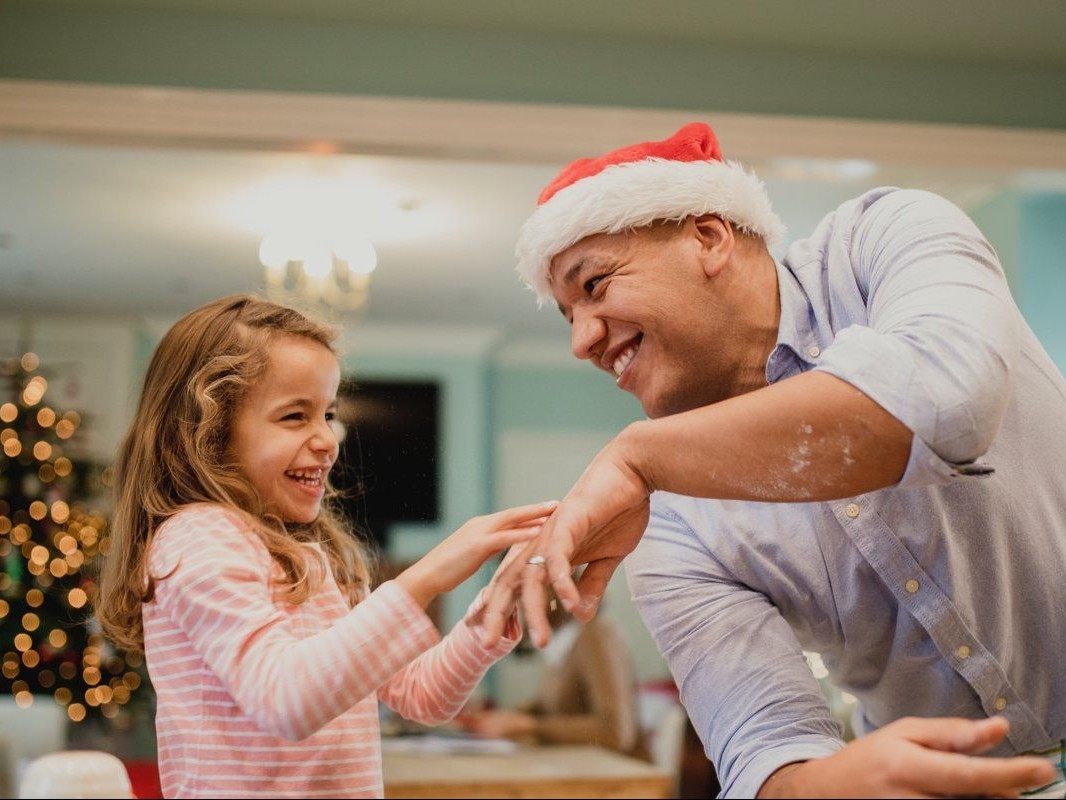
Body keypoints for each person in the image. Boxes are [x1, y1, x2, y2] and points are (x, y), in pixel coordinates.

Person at [480, 123, 1066, 797]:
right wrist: (828, 783)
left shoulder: (884, 237)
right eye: (566, 315)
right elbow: (763, 753)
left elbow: (944, 403)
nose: (582, 341)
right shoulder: (670, 521)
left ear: (709, 237)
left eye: (597, 284)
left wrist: (636, 456)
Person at [96, 295, 556, 798]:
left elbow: (421, 697)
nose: (328, 439)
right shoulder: (198, 536)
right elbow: (285, 701)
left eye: (328, 413)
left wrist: (488, 619)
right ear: (208, 432)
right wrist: (428, 575)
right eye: (295, 416)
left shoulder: (309, 556)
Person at [458, 602, 647, 758]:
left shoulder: (595, 636)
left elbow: (615, 732)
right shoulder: (560, 641)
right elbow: (547, 704)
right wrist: (503, 718)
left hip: (621, 780)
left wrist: (528, 725)